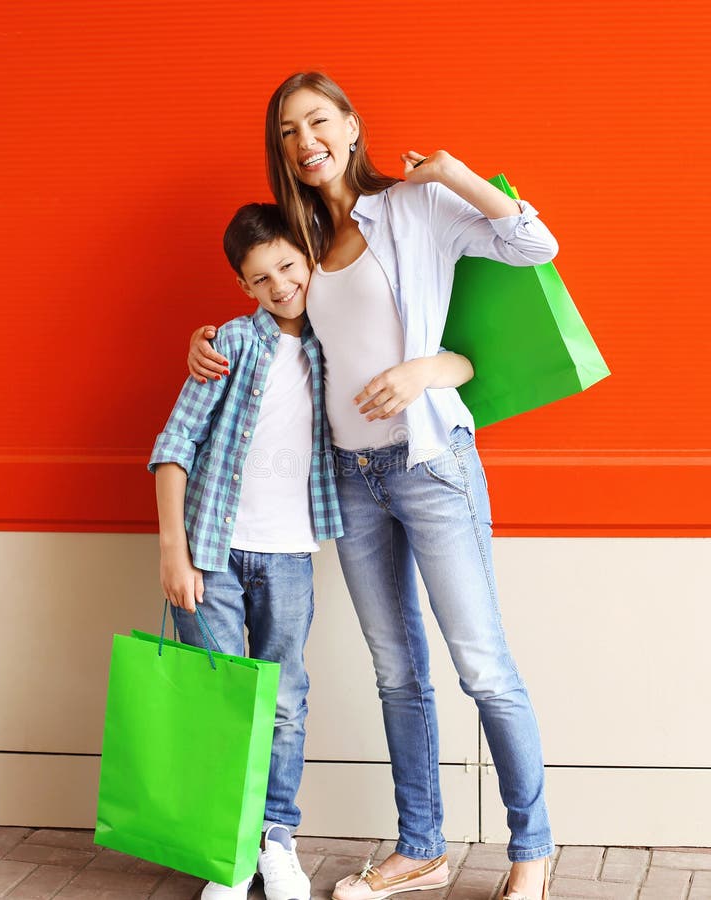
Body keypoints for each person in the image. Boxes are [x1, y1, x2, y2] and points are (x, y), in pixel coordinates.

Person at [187, 72, 559, 900]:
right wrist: (203, 339)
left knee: (482, 667)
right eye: (287, 130)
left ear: (351, 126)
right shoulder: (301, 239)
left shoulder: (411, 209)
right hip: (352, 481)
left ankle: (530, 849)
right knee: (397, 671)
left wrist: (453, 176)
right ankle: (419, 847)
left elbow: (534, 245)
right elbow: (269, 324)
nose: (303, 139)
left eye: (317, 120)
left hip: (429, 465)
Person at [150, 201, 474, 900]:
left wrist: (432, 369)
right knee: (218, 703)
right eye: (260, 278)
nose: (279, 286)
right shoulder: (231, 344)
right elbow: (174, 446)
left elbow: (443, 361)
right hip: (210, 553)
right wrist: (173, 553)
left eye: (288, 267)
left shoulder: (333, 345)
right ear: (244, 287)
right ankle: (225, 854)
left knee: (284, 703)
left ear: (309, 259)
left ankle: (275, 840)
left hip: (290, 555)